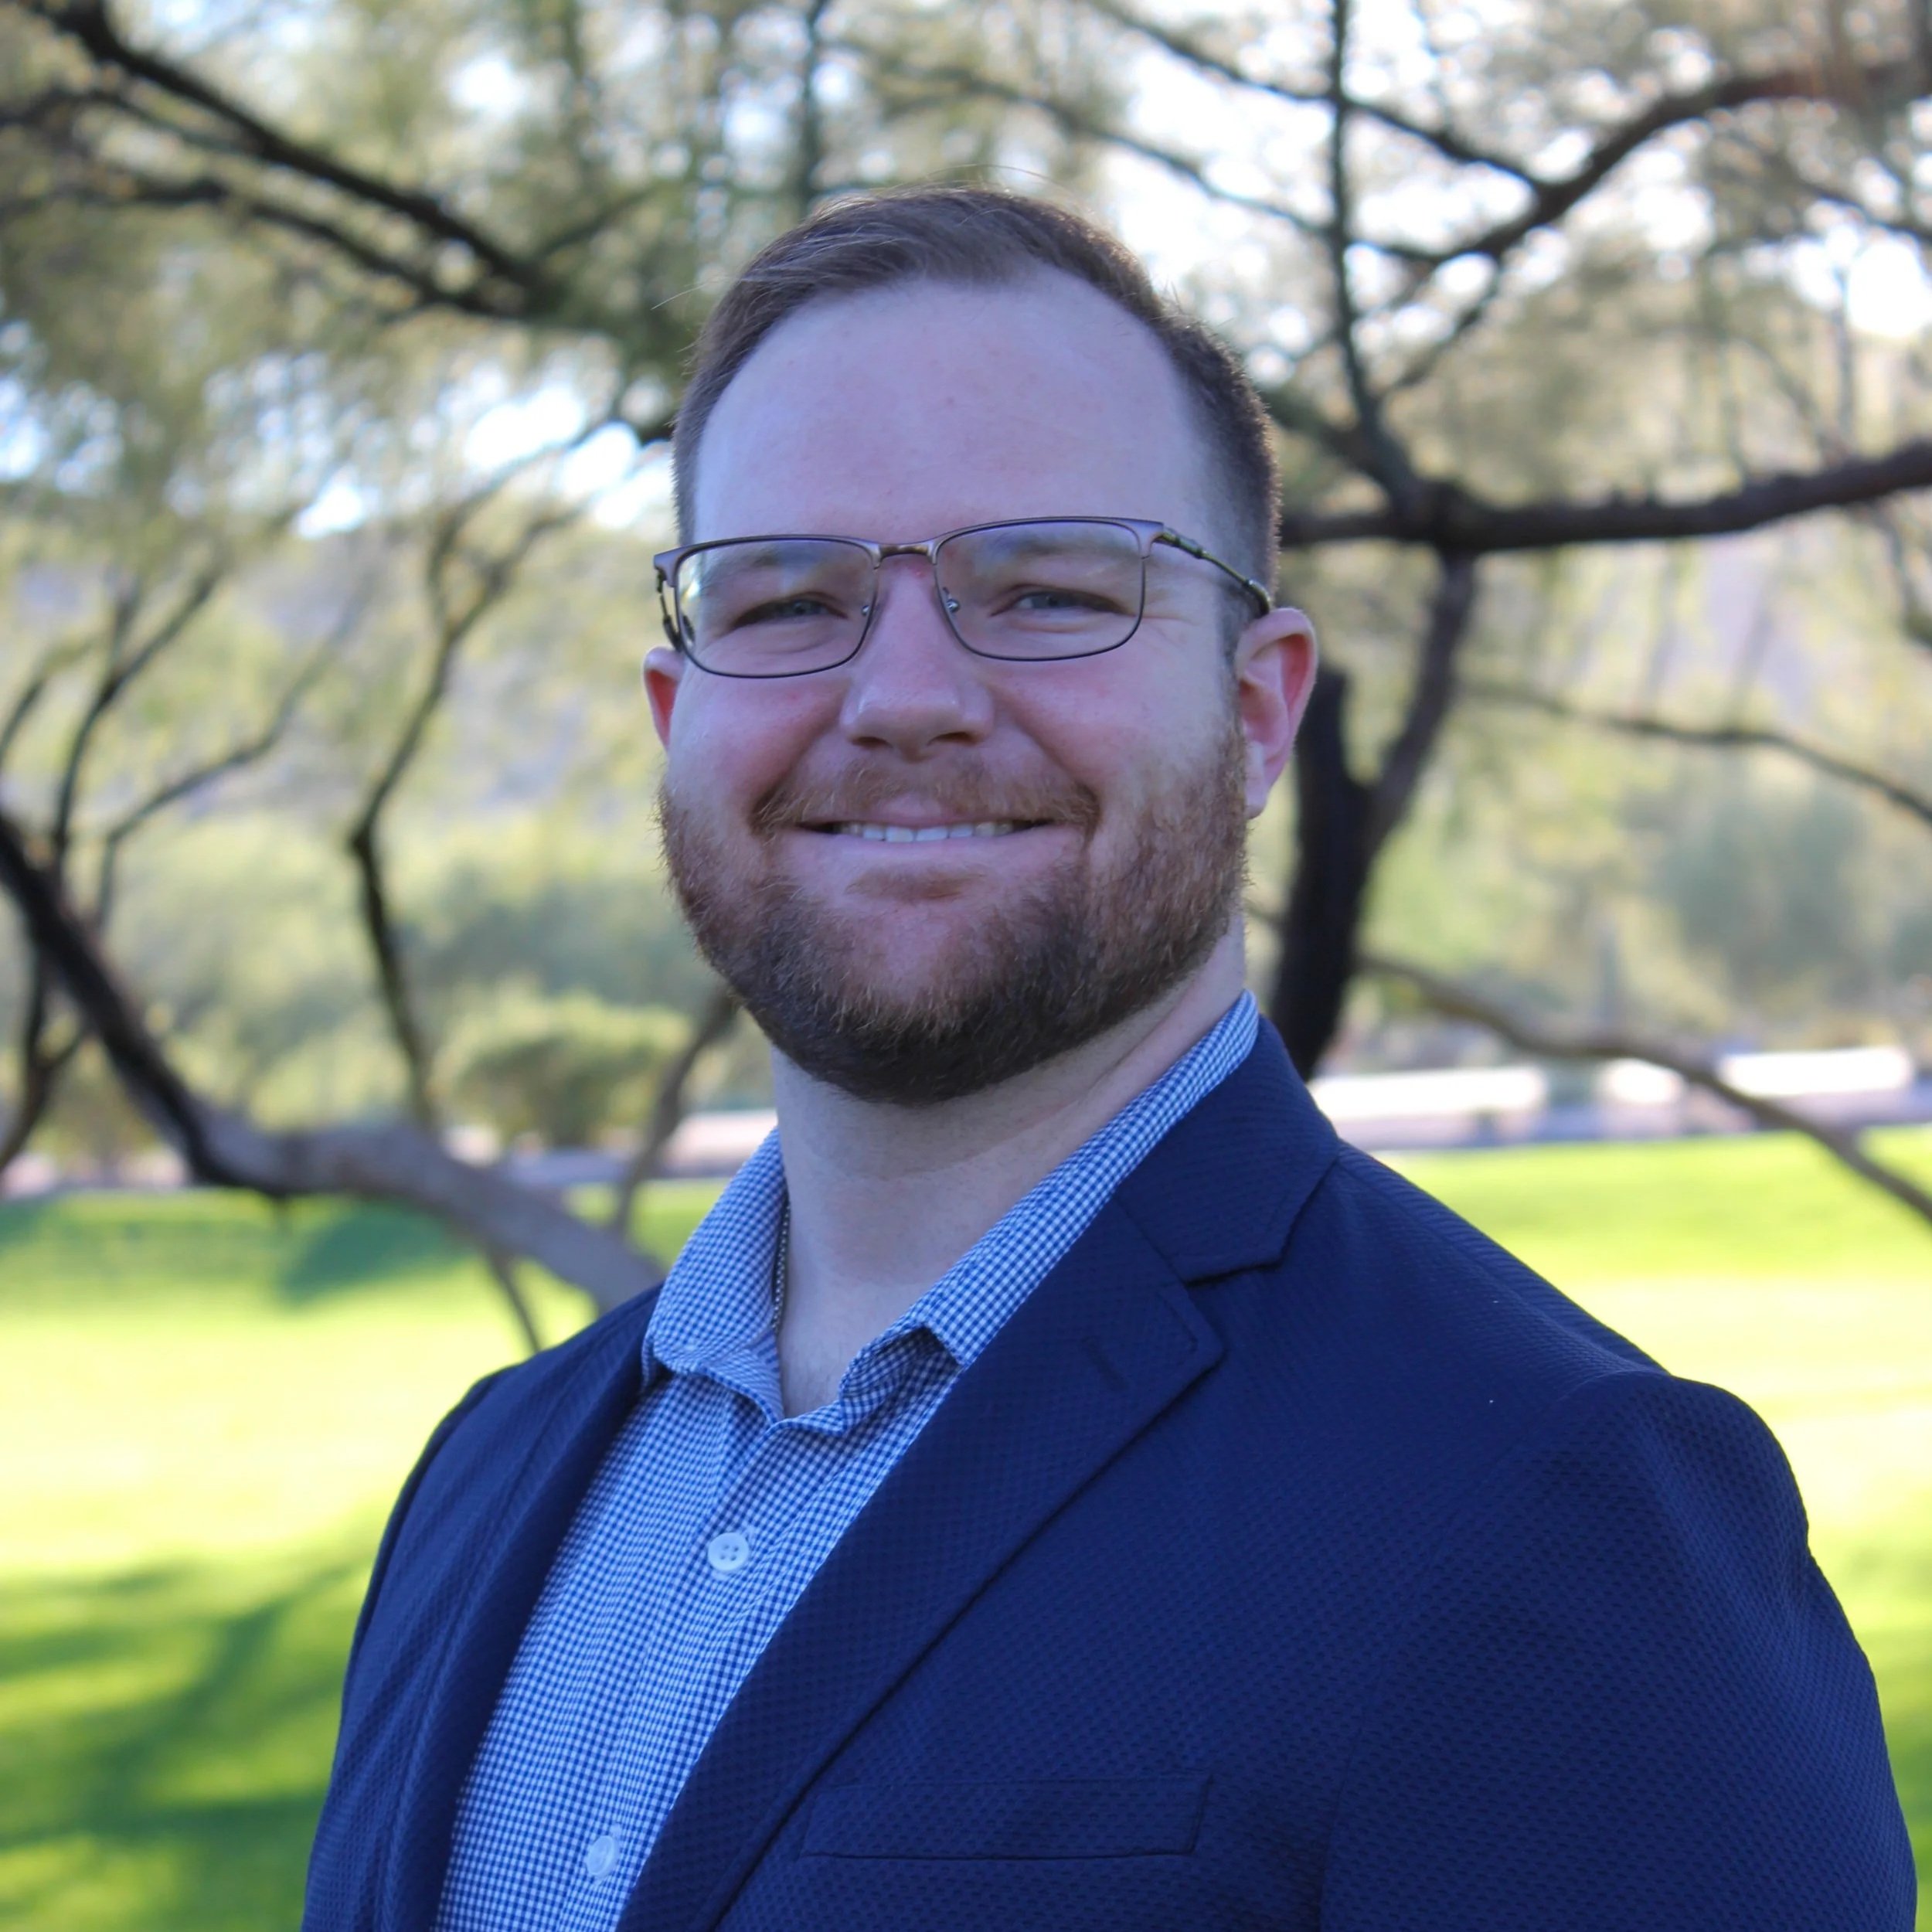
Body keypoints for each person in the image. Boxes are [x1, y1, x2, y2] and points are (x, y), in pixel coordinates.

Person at [304, 188, 1915, 1931]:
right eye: (784, 600)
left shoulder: (1550, 1507)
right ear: (679, 716)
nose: (903, 693)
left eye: (1049, 588)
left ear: (1254, 710)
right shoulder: (483, 1474)